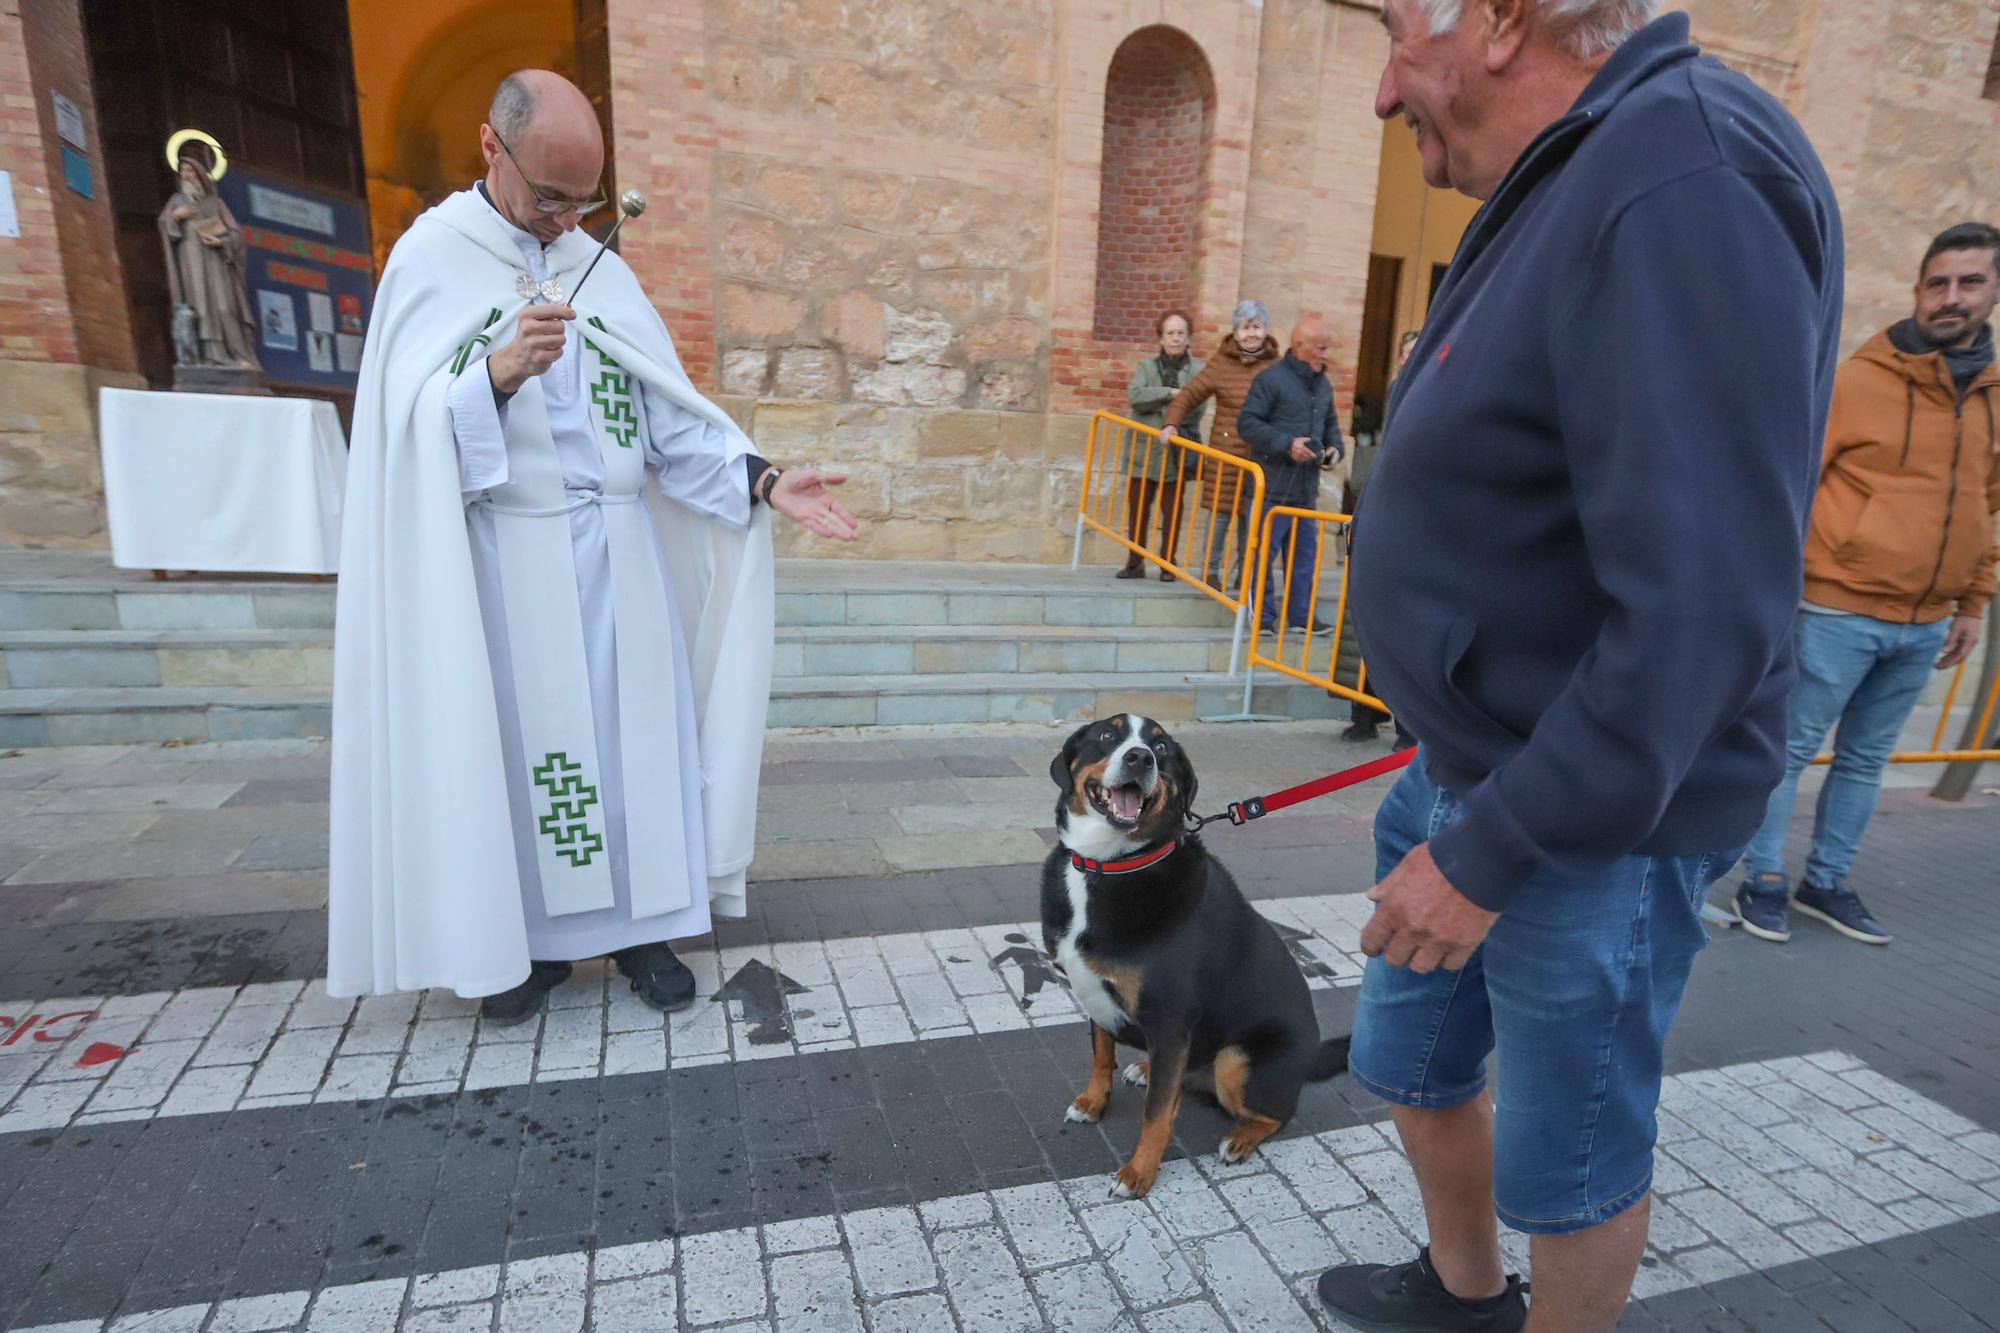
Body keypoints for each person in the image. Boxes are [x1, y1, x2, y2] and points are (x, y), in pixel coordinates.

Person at [1324, 3, 1842, 1330]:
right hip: (1468, 774)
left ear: (1499, 22)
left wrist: (1492, 851)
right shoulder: (1599, 160)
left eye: (1394, 34)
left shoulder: (1685, 177)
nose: (1384, 92)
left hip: (1576, 823)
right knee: (1412, 1063)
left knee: (1575, 1159)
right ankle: (1462, 1293)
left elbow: (1703, 612)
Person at [326, 71, 858, 1025]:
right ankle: (524, 944)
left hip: (621, 557)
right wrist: (491, 375)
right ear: (493, 148)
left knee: (637, 751)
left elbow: (669, 420)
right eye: (549, 197)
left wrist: (767, 479)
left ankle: (643, 928)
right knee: (534, 758)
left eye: (585, 200)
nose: (566, 219)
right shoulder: (431, 258)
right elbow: (399, 442)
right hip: (507, 558)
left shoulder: (598, 264)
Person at [1733, 222, 1999, 947]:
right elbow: (1794, 482)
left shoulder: (1992, 397)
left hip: (1927, 621)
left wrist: (1972, 602)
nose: (1951, 298)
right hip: (1835, 607)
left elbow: (1987, 503)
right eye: (1938, 282)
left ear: (1993, 292)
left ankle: (1828, 880)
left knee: (1865, 761)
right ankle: (1760, 878)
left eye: (1970, 282)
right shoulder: (1858, 381)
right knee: (1788, 751)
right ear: (1917, 290)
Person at [1161, 300, 1279, 591]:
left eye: (1257, 327)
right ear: (1236, 332)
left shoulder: (1277, 365)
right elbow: (1189, 394)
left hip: (1259, 458)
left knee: (1249, 520)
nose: (1251, 334)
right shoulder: (1221, 363)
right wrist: (1171, 423)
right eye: (1245, 328)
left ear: (1265, 331)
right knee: (1219, 515)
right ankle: (1210, 572)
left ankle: (1245, 574)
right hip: (1225, 455)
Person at [1236, 317, 1344, 633]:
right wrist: (1287, 444)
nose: (1326, 354)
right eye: (1321, 348)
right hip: (1270, 487)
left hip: (1305, 490)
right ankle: (1263, 619)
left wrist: (1335, 450)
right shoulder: (1270, 380)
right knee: (1261, 558)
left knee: (1304, 560)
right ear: (1300, 346)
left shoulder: (1323, 385)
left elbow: (1332, 427)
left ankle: (1301, 617)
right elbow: (1248, 424)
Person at [1339, 330, 1422, 742]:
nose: (1411, 360)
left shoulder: (1436, 390)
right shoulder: (1401, 392)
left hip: (1417, 530)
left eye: (1417, 353)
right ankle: (1365, 714)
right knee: (1365, 631)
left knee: (1407, 636)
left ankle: (1407, 726)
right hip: (1383, 519)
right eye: (1405, 354)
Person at [1118, 309, 1204, 581]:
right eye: (1170, 333)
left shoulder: (1199, 370)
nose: (1176, 339)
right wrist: (1170, 393)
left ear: (1188, 338)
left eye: (1181, 333)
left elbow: (1197, 404)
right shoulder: (1145, 367)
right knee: (1138, 509)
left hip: (1176, 449)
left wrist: (1170, 405)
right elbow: (1135, 395)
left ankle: (1168, 562)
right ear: (1161, 338)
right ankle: (1134, 562)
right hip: (1143, 449)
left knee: (1172, 510)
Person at [158, 152, 259, 370]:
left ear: (200, 175)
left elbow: (236, 234)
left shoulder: (216, 203)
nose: (186, 176)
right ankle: (208, 358)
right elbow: (165, 226)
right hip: (191, 265)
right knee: (200, 309)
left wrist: (221, 242)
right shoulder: (176, 202)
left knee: (224, 307)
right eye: (183, 171)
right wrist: (175, 217)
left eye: (191, 171)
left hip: (217, 263)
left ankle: (238, 355)